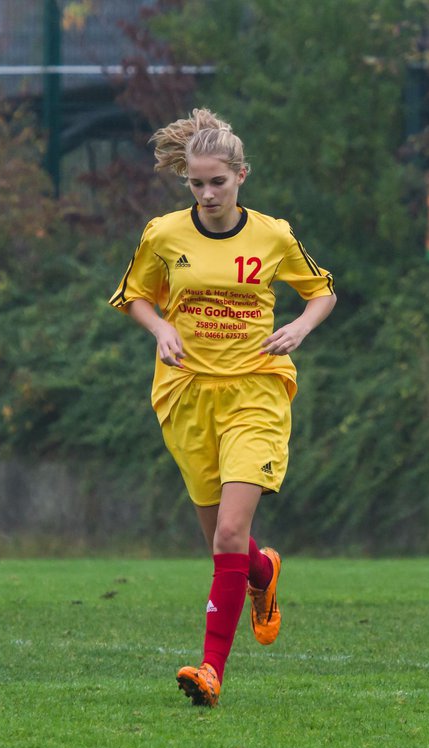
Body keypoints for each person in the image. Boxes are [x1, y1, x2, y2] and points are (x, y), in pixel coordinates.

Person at [109, 108, 337, 706]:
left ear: (242, 175)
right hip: (186, 393)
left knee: (230, 531)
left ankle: (210, 671)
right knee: (226, 544)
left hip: (256, 390)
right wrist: (160, 328)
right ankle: (263, 573)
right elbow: (134, 296)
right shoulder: (162, 234)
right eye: (196, 183)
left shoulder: (273, 235)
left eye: (218, 182)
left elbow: (322, 292)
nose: (207, 194)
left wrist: (300, 327)